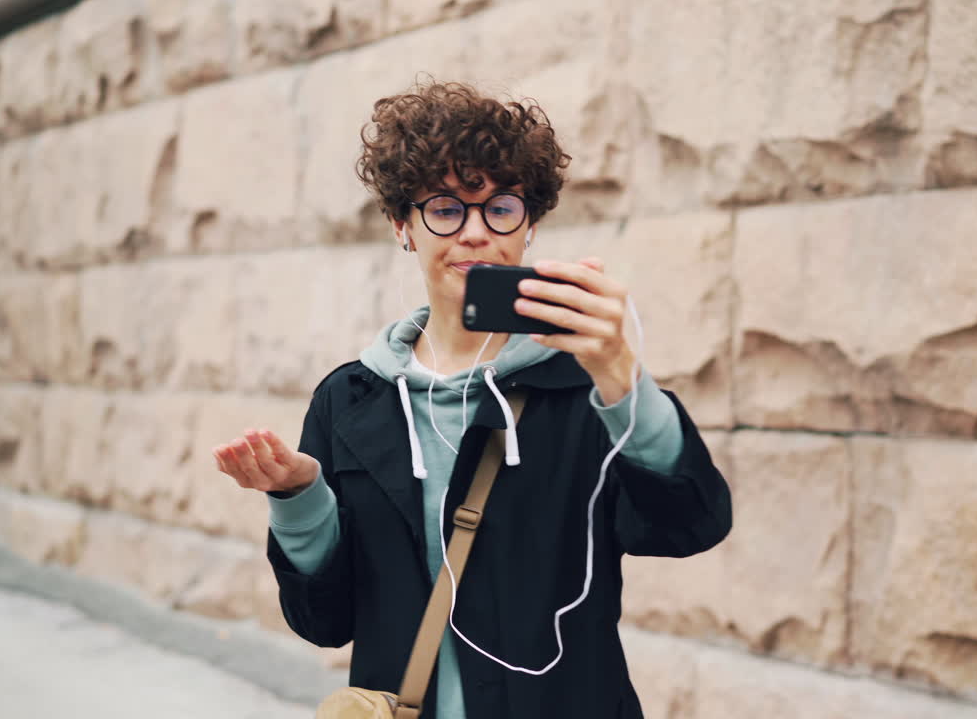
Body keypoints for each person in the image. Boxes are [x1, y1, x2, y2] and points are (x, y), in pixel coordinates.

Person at [211, 80, 732, 719]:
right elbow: (324, 621)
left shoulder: (584, 388)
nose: (475, 233)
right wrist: (300, 499)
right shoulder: (350, 401)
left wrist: (624, 378)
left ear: (531, 223)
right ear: (403, 225)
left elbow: (691, 527)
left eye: (500, 207)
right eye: (446, 208)